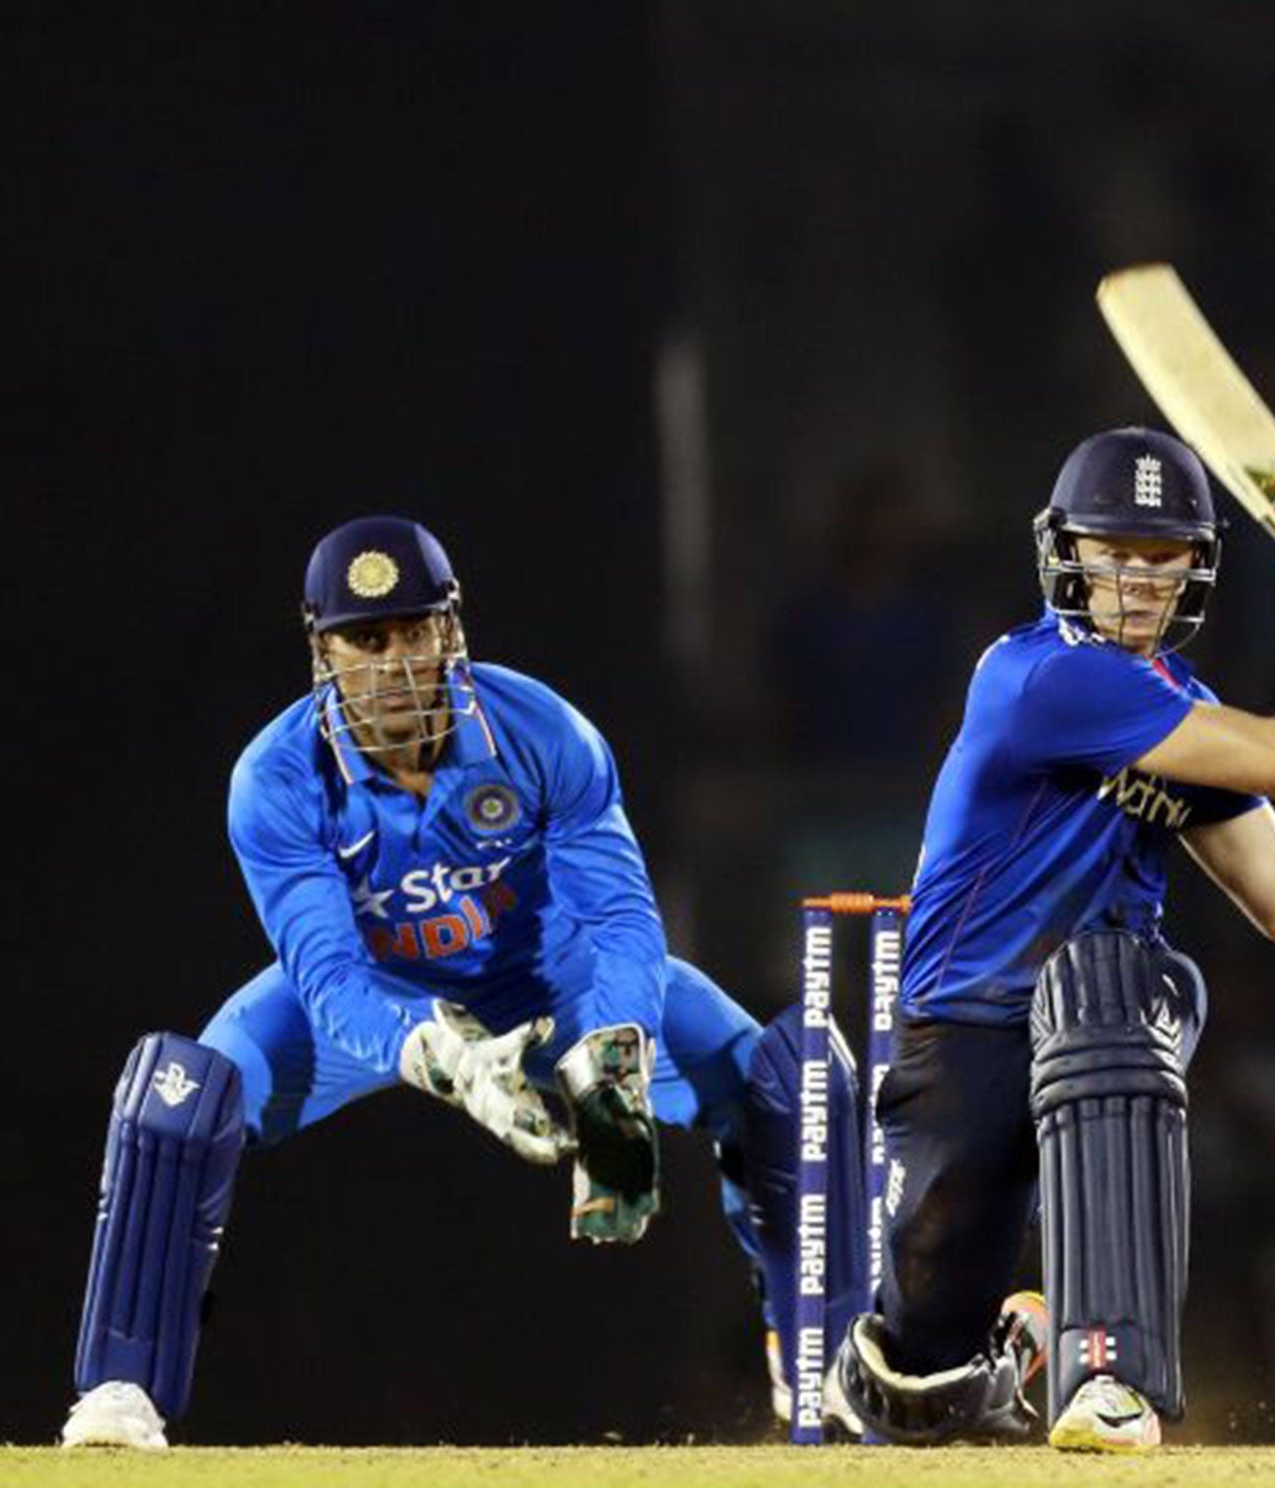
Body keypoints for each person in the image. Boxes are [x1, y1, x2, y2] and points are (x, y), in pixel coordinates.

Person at [59, 516, 868, 1448]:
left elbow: (620, 919)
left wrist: (613, 1064)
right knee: (179, 1100)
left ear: (453, 630)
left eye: (416, 631)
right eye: (368, 640)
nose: (398, 665)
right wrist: (437, 1053)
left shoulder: (544, 732)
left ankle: (829, 1364)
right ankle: (121, 1393)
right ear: (323, 650)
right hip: (381, 998)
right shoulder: (276, 781)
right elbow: (322, 970)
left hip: (550, 980)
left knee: (798, 1080)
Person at [829, 428, 1275, 1451]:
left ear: (1194, 568)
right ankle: (976, 1353)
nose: (1137, 581)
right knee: (920, 1378)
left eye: (1161, 558)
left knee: (1117, 985)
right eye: (1113, 551)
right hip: (963, 1037)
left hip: (1088, 1021)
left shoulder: (1175, 713)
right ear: (1065, 553)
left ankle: (1107, 1377)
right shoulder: (1045, 679)